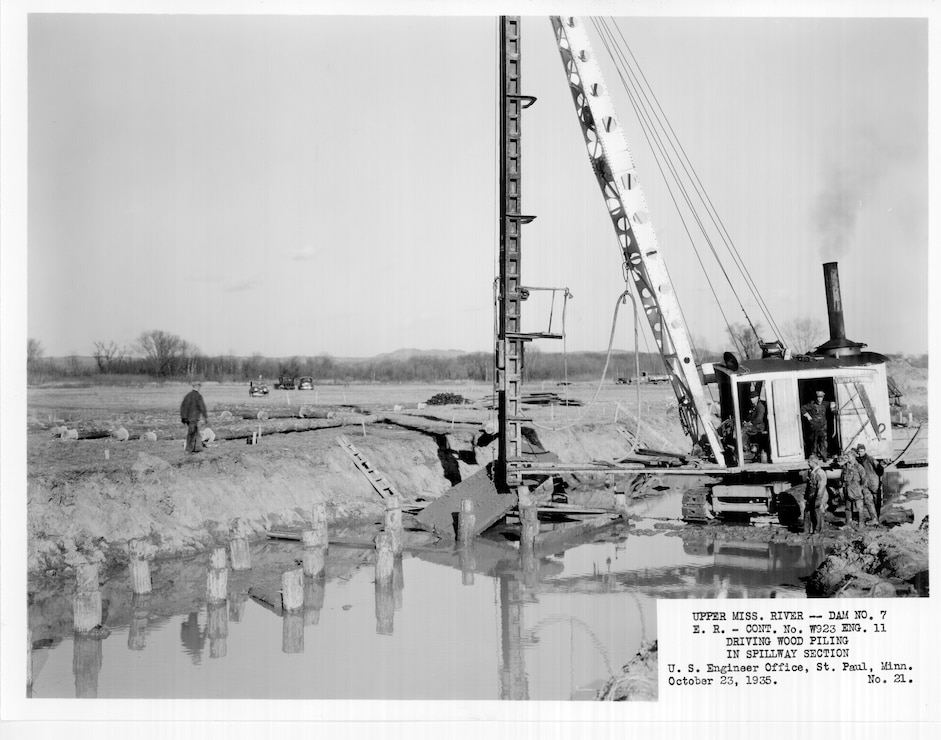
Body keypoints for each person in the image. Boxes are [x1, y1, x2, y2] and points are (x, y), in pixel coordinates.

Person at [854, 444, 883, 525]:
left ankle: (878, 518)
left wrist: (877, 478)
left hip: (874, 483)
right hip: (865, 483)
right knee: (868, 501)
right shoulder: (858, 460)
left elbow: (880, 468)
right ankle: (874, 519)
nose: (860, 453)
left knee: (877, 501)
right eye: (858, 452)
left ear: (865, 451)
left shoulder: (870, 459)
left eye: (861, 451)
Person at [800, 390, 832, 460]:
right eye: (818, 397)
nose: (819, 399)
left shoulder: (825, 404)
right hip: (814, 426)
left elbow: (832, 405)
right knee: (814, 441)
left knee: (823, 441)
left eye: (821, 397)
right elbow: (803, 409)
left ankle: (824, 455)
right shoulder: (812, 404)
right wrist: (808, 416)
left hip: (823, 426)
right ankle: (814, 456)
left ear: (823, 397)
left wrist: (834, 405)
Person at [180, 380, 209, 454]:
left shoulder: (188, 396)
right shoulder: (198, 396)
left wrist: (183, 418)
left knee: (196, 432)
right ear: (197, 386)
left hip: (188, 418)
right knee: (191, 433)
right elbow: (202, 407)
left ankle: (198, 448)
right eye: (199, 386)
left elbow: (183, 407)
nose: (200, 387)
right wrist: (205, 417)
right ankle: (188, 450)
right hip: (193, 418)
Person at [803, 455, 829, 534]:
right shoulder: (811, 472)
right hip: (812, 495)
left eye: (809, 462)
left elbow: (821, 487)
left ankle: (817, 532)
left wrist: (818, 499)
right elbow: (809, 485)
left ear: (813, 462)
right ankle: (806, 531)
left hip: (820, 495)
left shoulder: (820, 473)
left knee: (818, 512)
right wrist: (807, 496)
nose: (808, 463)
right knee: (807, 512)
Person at [839, 453, 864, 528]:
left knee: (859, 507)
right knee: (848, 507)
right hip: (847, 489)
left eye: (848, 456)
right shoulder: (845, 466)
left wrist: (860, 488)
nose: (847, 458)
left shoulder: (859, 467)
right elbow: (842, 478)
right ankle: (848, 524)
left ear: (853, 457)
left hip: (856, 490)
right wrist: (840, 488)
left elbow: (864, 479)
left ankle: (861, 524)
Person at [742, 392, 767, 462]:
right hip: (755, 425)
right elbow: (751, 416)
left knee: (744, 430)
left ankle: (748, 449)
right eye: (751, 398)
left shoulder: (760, 406)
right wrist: (747, 421)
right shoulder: (754, 406)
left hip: (759, 426)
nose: (751, 400)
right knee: (744, 428)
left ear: (757, 398)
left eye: (753, 398)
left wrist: (750, 423)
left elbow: (759, 419)